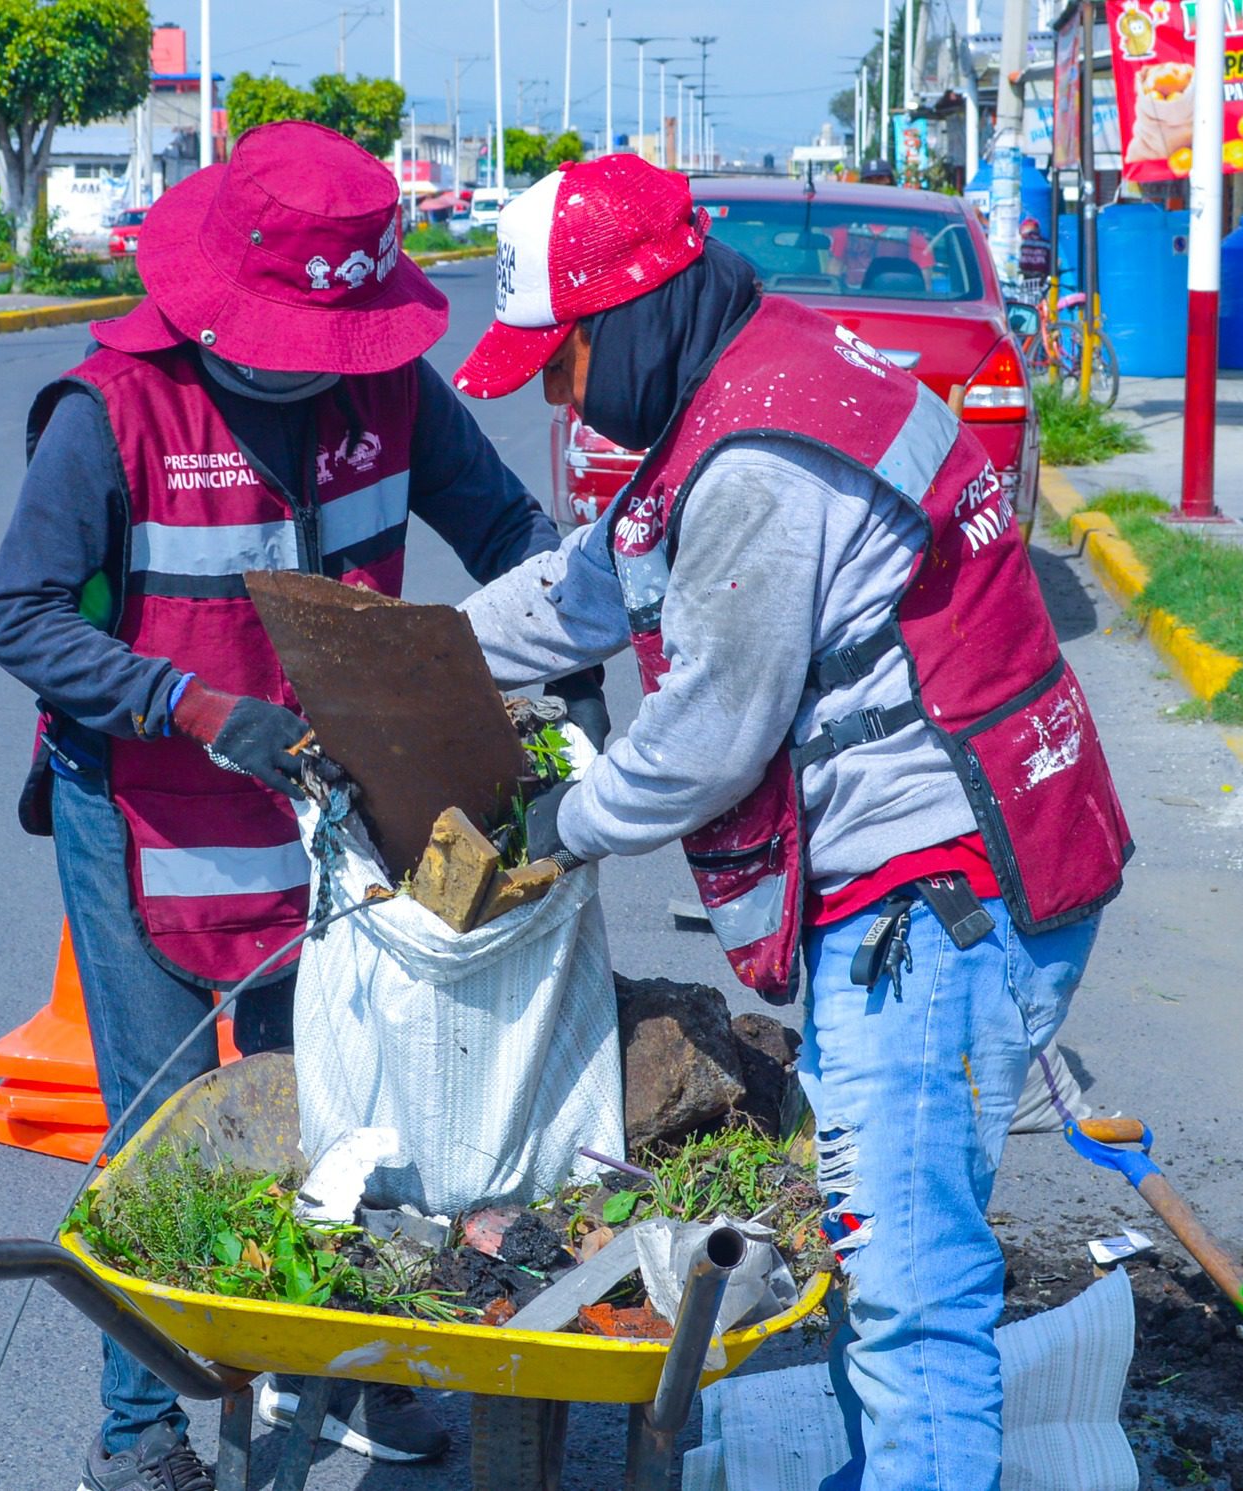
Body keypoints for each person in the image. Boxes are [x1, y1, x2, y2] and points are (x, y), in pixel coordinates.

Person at [452, 156, 1131, 1491]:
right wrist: (412, 650)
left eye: (564, 355)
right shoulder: (745, 379)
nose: (554, 390)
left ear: (636, 313)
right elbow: (588, 588)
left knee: (905, 1278)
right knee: (885, 1243)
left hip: (941, 902)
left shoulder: (760, 460)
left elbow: (703, 742)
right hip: (948, 873)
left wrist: (550, 825)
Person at [0, 121, 588, 1490]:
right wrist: (195, 705)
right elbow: (18, 617)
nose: (326, 374)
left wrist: (583, 637)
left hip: (336, 812)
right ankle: (138, 1428)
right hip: (153, 805)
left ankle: (347, 1374)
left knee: (346, 1104)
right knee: (171, 1126)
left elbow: (505, 534)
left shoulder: (395, 392)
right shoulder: (112, 413)